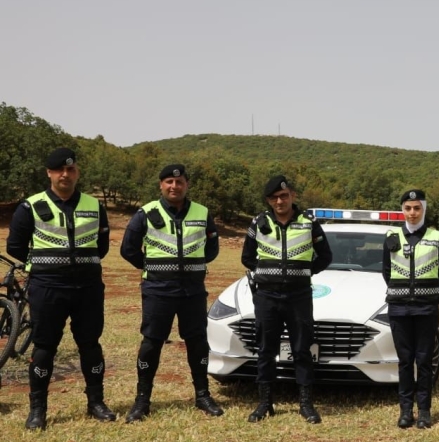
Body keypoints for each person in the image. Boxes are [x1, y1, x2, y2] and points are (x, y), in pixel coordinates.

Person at [6, 148, 115, 430]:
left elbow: (101, 246)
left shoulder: (94, 206)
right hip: (48, 288)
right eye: (59, 170)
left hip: (88, 287)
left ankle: (96, 402)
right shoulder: (30, 206)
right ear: (49, 173)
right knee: (44, 347)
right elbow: (15, 246)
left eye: (70, 169)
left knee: (90, 345)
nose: (65, 174)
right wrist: (45, 266)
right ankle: (37, 410)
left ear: (77, 172)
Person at [120, 164, 224, 422]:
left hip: (193, 290)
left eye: (179, 182)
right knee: (151, 343)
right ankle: (142, 400)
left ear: (186, 185)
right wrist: (152, 268)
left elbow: (212, 249)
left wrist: (192, 265)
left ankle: (202, 395)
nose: (174, 186)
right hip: (158, 290)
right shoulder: (146, 213)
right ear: (161, 185)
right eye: (169, 182)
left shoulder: (202, 213)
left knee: (197, 341)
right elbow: (128, 249)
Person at [240, 175, 332, 423]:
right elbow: (247, 257)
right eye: (274, 198)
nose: (279, 201)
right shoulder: (259, 222)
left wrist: (304, 272)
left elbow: (325, 256)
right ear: (268, 200)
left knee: (302, 350)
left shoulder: (308, 222)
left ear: (292, 196)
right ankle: (265, 403)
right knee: (265, 350)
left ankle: (306, 404)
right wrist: (266, 274)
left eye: (283, 196)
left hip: (299, 296)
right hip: (266, 297)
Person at [382, 189, 439, 429]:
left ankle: (425, 411)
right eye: (408, 208)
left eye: (417, 208)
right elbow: (386, 271)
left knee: (424, 360)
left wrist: (424, 294)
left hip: (426, 309)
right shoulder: (391, 236)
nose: (412, 213)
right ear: (402, 210)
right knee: (404, 361)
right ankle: (405, 410)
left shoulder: (436, 237)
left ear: (424, 210)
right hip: (399, 309)